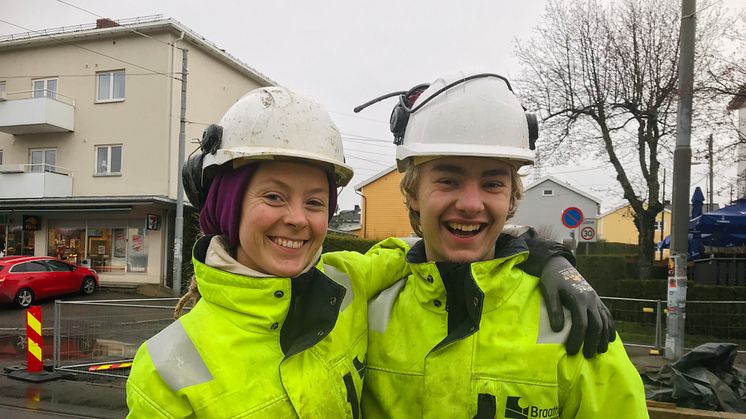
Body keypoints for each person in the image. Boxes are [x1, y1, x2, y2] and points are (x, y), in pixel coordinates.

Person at [126, 86, 614, 418]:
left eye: (315, 202)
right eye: (273, 196)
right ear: (228, 205)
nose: (297, 218)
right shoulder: (167, 364)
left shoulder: (345, 284)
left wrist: (546, 255)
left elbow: (416, 250)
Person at [357, 73, 649, 418]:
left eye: (492, 183)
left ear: (512, 199)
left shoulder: (576, 321)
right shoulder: (364, 306)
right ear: (412, 194)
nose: (470, 203)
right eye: (448, 181)